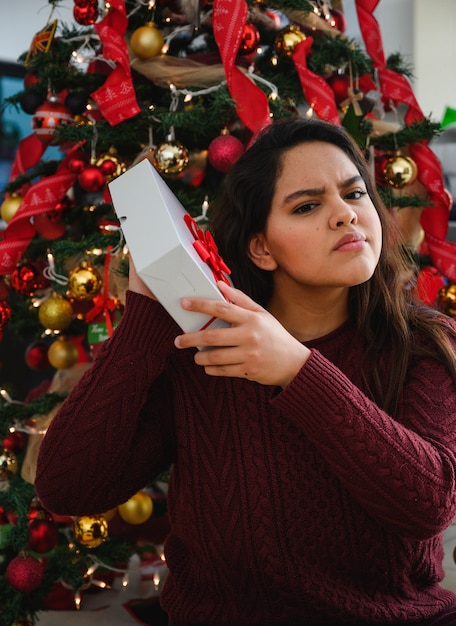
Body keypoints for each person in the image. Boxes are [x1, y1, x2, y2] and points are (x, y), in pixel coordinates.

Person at [35, 118, 456, 625]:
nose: (345, 215)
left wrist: (298, 371)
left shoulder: (423, 345)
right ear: (261, 247)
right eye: (307, 206)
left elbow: (429, 505)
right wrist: (145, 318)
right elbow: (66, 488)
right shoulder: (204, 359)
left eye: (354, 193)